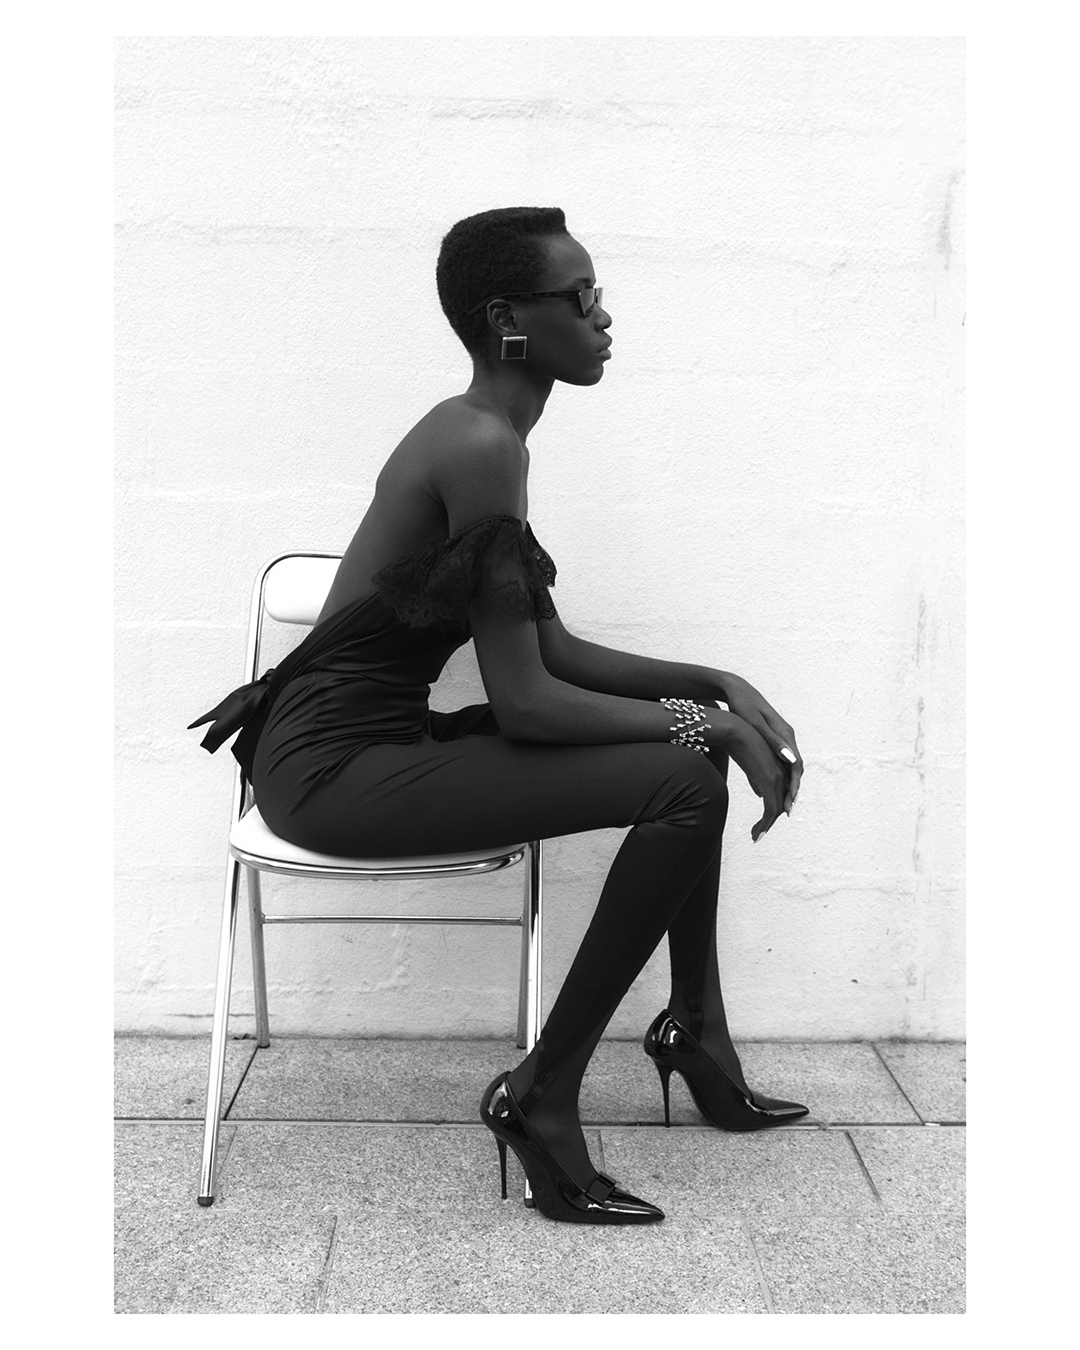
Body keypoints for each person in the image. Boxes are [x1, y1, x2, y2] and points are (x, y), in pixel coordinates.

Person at [190, 206, 808, 1226]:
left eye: (598, 294)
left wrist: (714, 686)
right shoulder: (479, 443)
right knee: (688, 779)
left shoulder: (485, 435)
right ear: (508, 320)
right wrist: (709, 729)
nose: (603, 316)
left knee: (690, 757)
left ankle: (696, 1035)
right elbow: (525, 703)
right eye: (581, 296)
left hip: (370, 746)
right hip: (333, 774)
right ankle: (542, 1095)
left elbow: (550, 650)